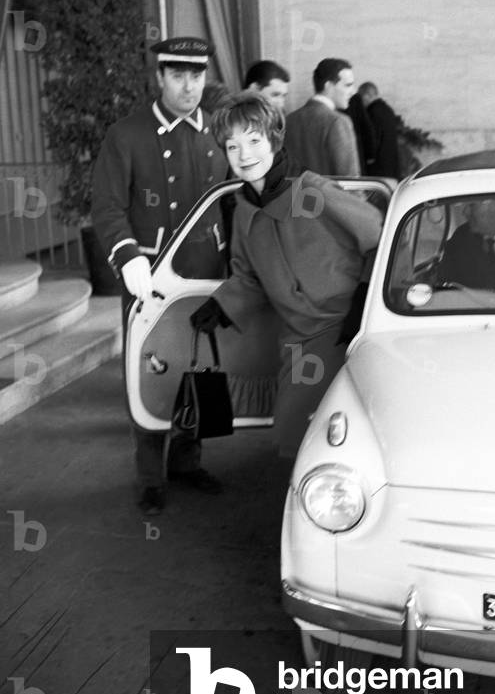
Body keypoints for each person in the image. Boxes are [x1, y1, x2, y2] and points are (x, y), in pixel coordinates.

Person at [190, 92, 383, 460]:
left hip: (346, 326)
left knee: (327, 433)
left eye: (253, 140)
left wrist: (362, 301)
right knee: (293, 436)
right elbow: (248, 276)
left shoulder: (311, 191)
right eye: (232, 146)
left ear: (274, 140)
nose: (244, 155)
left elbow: (377, 237)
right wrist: (220, 306)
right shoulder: (244, 210)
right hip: (299, 338)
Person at [92, 36, 230, 515]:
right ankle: (151, 476)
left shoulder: (218, 130)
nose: (189, 85)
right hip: (148, 279)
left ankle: (188, 461)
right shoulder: (126, 134)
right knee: (151, 373)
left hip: (205, 273)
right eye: (178, 75)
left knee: (203, 368)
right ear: (160, 78)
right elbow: (107, 207)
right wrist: (128, 256)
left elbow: (232, 203)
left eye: (197, 75)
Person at [284, 58, 360, 176]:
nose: (353, 92)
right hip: (329, 194)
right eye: (348, 85)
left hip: (293, 194)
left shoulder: (289, 120)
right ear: (328, 86)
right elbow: (350, 181)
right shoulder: (338, 122)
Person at [358, 81, 402, 180]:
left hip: (378, 170)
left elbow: (372, 141)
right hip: (391, 166)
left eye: (361, 97)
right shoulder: (388, 110)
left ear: (367, 95)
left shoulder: (371, 113)